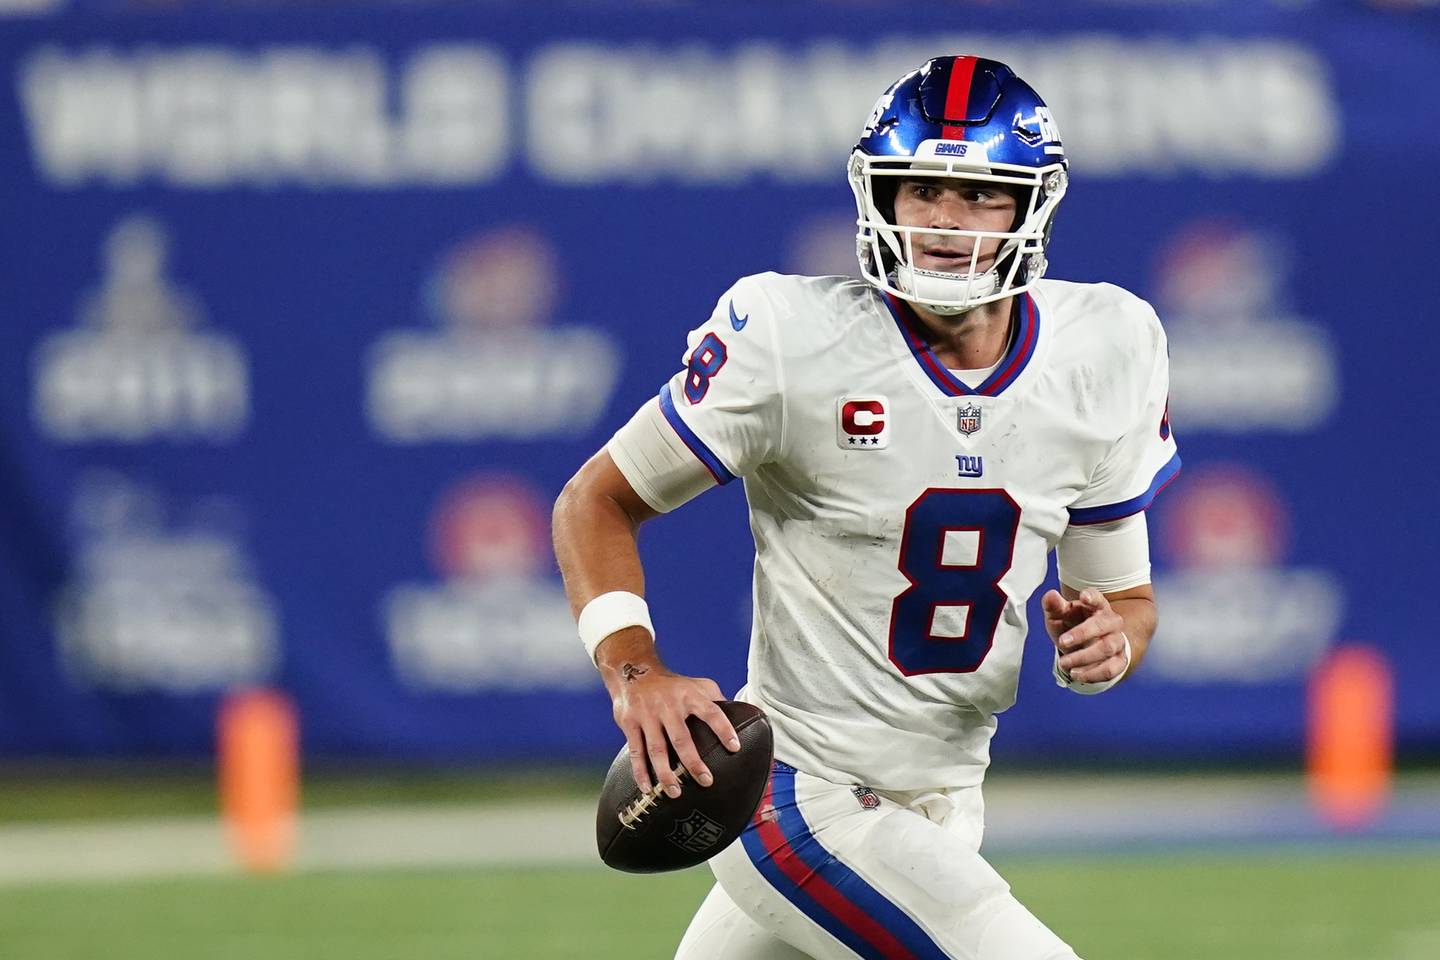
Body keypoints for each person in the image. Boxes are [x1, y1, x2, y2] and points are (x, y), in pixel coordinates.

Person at [552, 55, 1180, 960]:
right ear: (878, 197)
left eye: (978, 195)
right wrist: (634, 672)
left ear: (1031, 206)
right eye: (920, 190)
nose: (943, 223)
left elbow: (1124, 597)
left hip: (943, 804)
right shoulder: (788, 337)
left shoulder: (1110, 344)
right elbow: (594, 500)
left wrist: (1109, 642)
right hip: (795, 790)